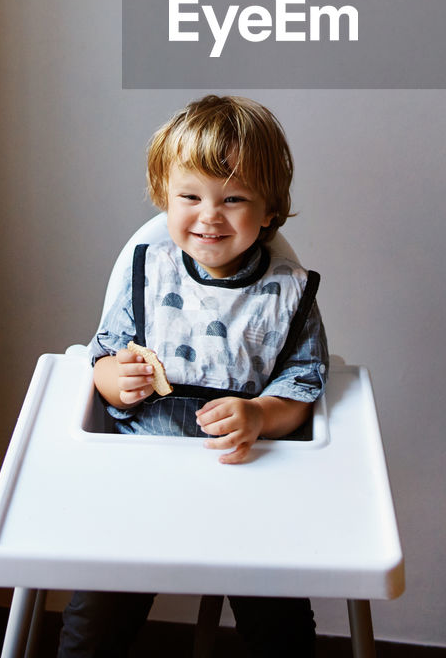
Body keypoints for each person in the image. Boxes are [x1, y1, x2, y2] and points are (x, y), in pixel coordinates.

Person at [57, 94, 328, 658]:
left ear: (271, 211)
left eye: (234, 199)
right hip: (141, 477)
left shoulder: (287, 293)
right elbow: (100, 358)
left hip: (249, 478)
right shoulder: (146, 275)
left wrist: (259, 414)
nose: (210, 215)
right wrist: (115, 378)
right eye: (190, 196)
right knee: (97, 617)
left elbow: (302, 391)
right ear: (163, 198)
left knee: (279, 619)